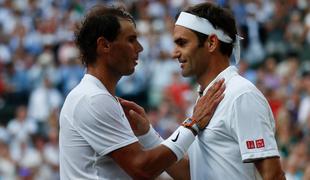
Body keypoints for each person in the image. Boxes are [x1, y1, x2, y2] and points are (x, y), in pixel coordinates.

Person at [121, 2, 286, 180]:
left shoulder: (241, 95)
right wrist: (148, 133)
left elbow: (274, 175)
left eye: (182, 43)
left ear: (211, 43)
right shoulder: (205, 98)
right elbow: (191, 175)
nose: (174, 53)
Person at [59, 5, 225, 179]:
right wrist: (193, 124)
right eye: (131, 40)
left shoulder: (96, 96)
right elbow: (142, 170)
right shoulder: (93, 98)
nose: (140, 48)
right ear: (104, 45)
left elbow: (183, 173)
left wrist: (147, 133)